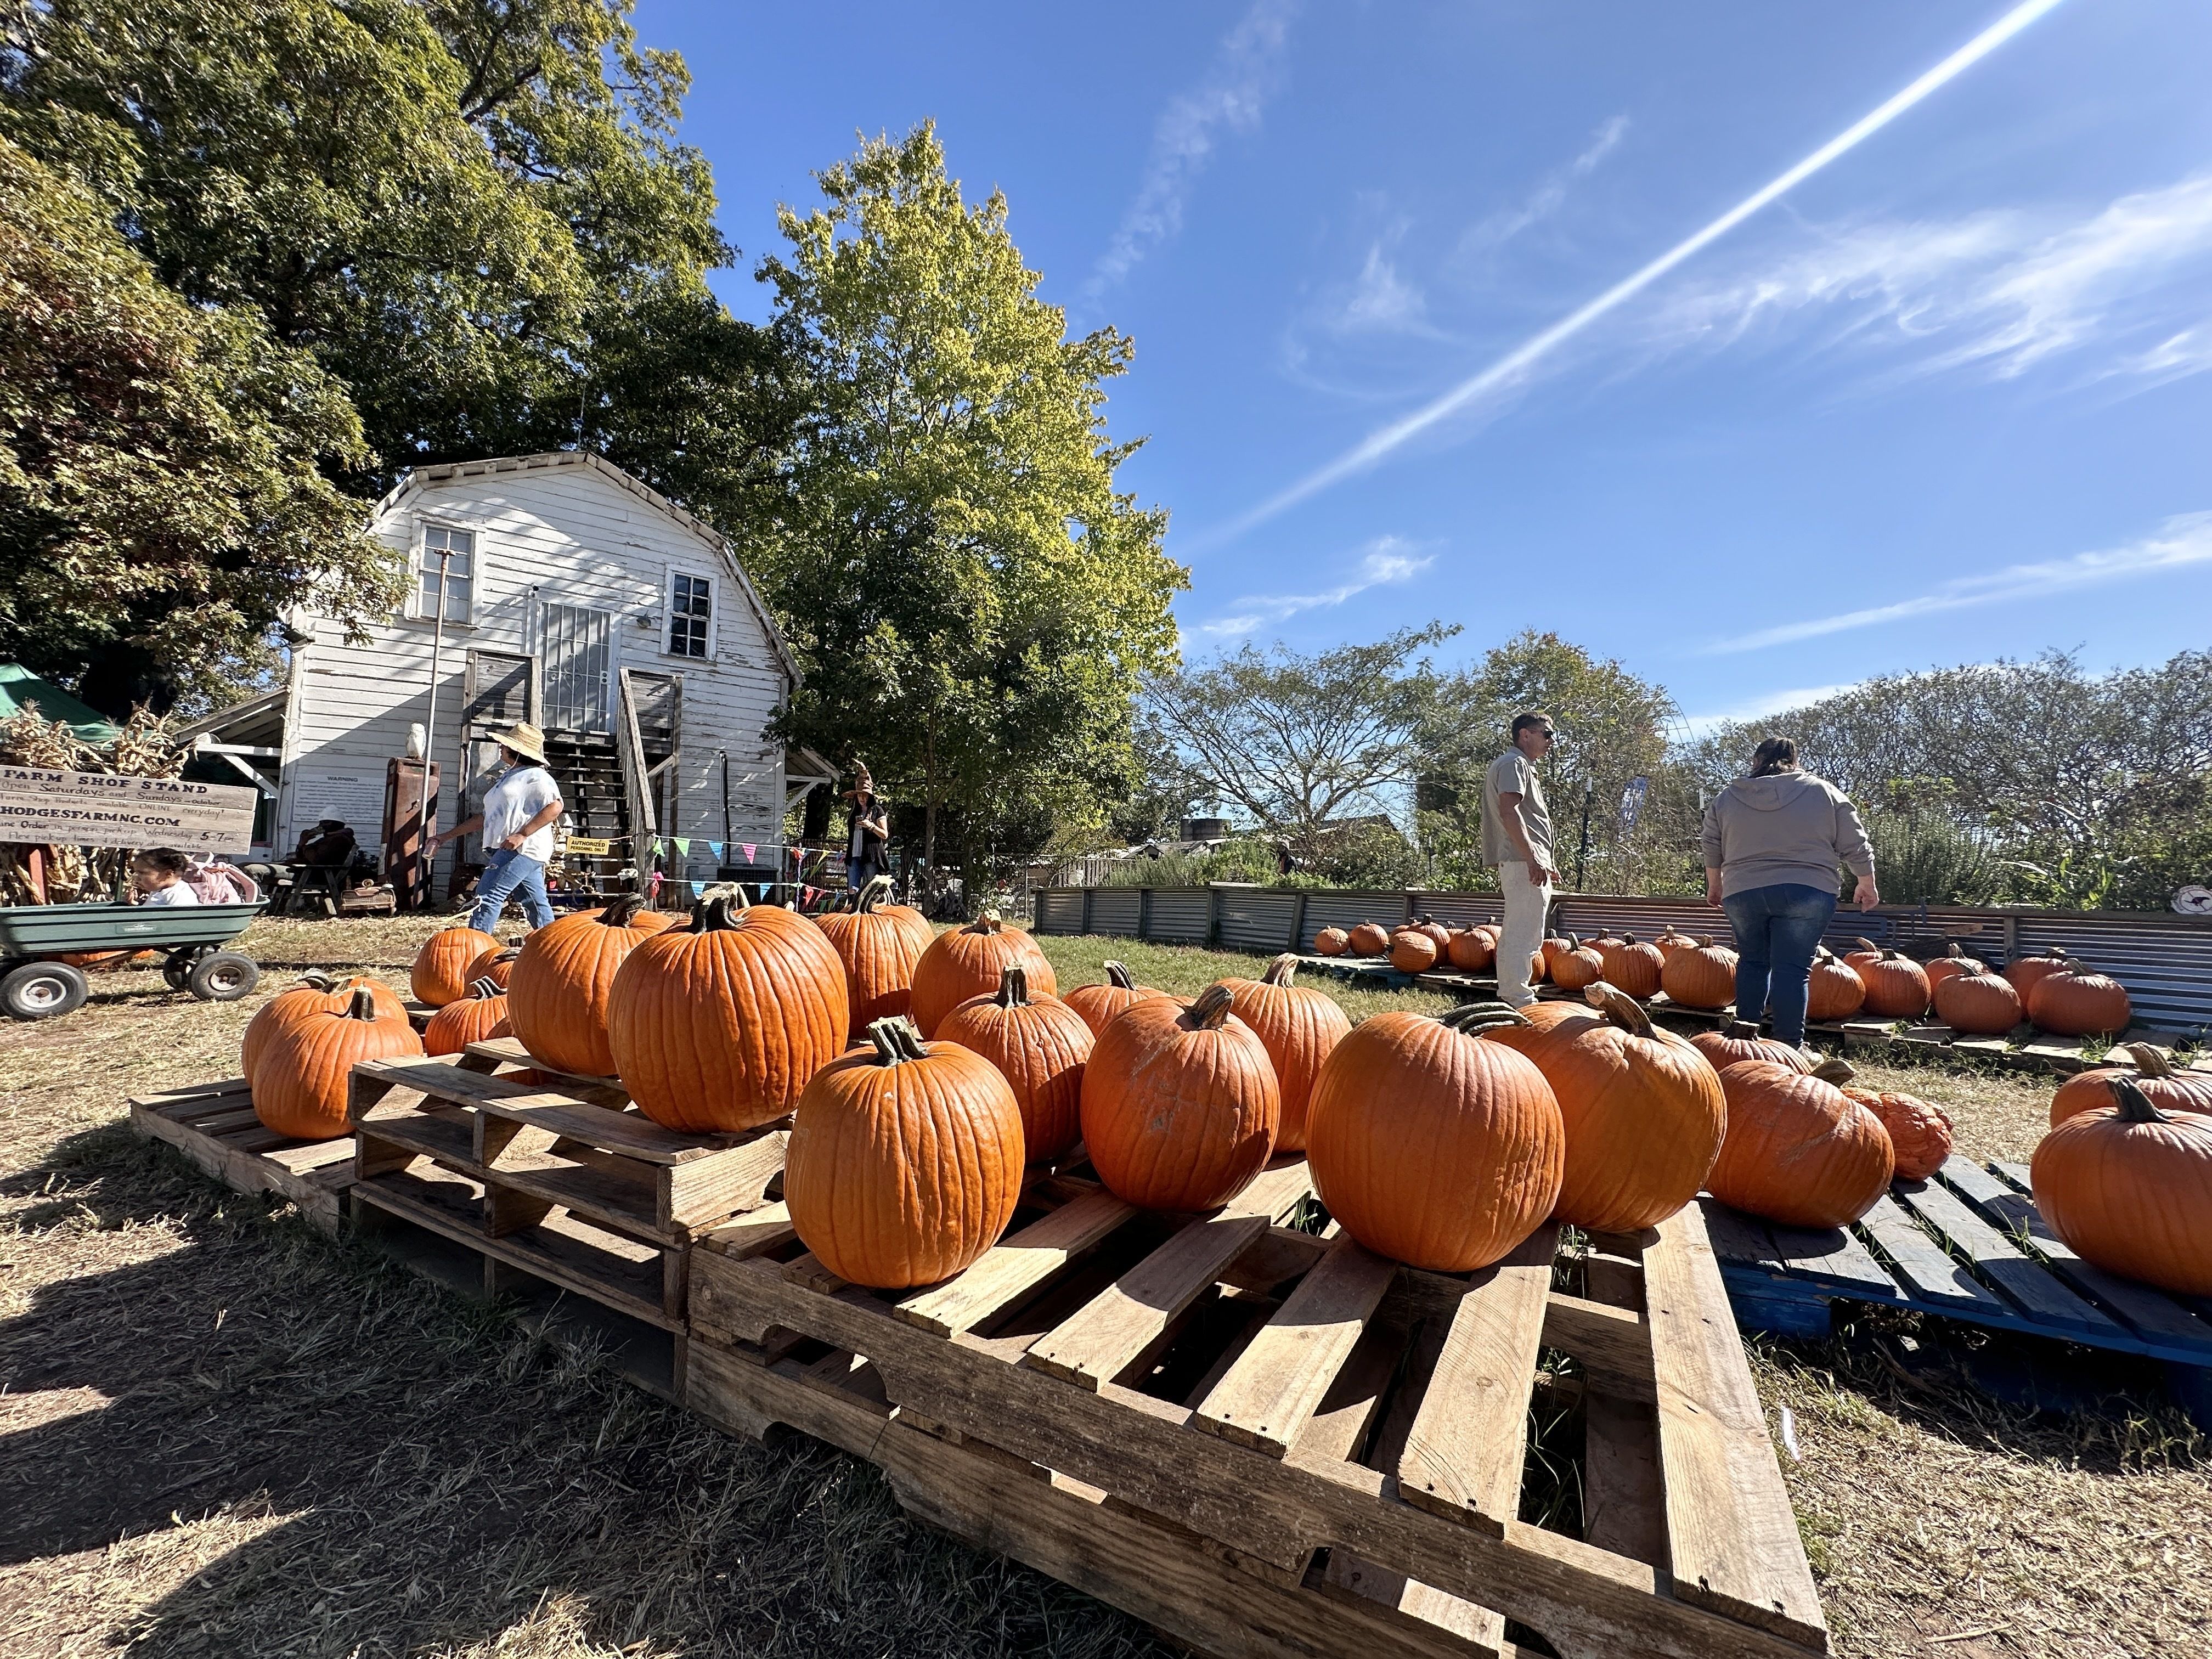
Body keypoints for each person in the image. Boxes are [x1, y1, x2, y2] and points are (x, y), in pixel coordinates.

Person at [1702, 736, 1878, 1048]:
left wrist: (1715, 885)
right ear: (1795, 760)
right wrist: (1866, 882)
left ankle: (1743, 1042)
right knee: (1793, 969)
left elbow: (1711, 845)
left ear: (1756, 760)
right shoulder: (1823, 791)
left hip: (1744, 891)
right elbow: (1854, 841)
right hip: (1808, 890)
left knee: (1753, 962)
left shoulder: (1727, 797)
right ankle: (1788, 1046)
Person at [430, 721, 563, 931]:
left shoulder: (537, 777)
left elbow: (555, 806)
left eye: (505, 745)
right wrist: (446, 836)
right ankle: (552, 946)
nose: (501, 747)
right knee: (534, 902)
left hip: (521, 850)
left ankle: (476, 949)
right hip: (511, 850)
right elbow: (485, 818)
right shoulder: (509, 777)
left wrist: (521, 834)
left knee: (487, 896)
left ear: (517, 751)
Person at [1481, 711, 1560, 1009]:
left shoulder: (1519, 765)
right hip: (1522, 862)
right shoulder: (1514, 763)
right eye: (1547, 734)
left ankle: (1515, 998)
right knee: (1523, 934)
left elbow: (1522, 816)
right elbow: (1509, 812)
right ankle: (1517, 1002)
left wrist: (1544, 860)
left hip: (1525, 861)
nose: (1551, 741)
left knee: (1524, 931)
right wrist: (1533, 858)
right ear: (1525, 734)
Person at [844, 764, 889, 892]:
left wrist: (872, 826)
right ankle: (853, 908)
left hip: (871, 855)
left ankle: (872, 910)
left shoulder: (877, 811)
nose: (862, 798)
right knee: (853, 888)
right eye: (859, 796)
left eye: (865, 795)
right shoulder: (854, 812)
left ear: (869, 796)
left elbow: (885, 835)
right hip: (854, 854)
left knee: (871, 888)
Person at [131, 848, 201, 907]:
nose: (137, 878)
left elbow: (179, 921)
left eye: (142, 873)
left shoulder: (179, 895)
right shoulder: (159, 890)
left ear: (168, 874)